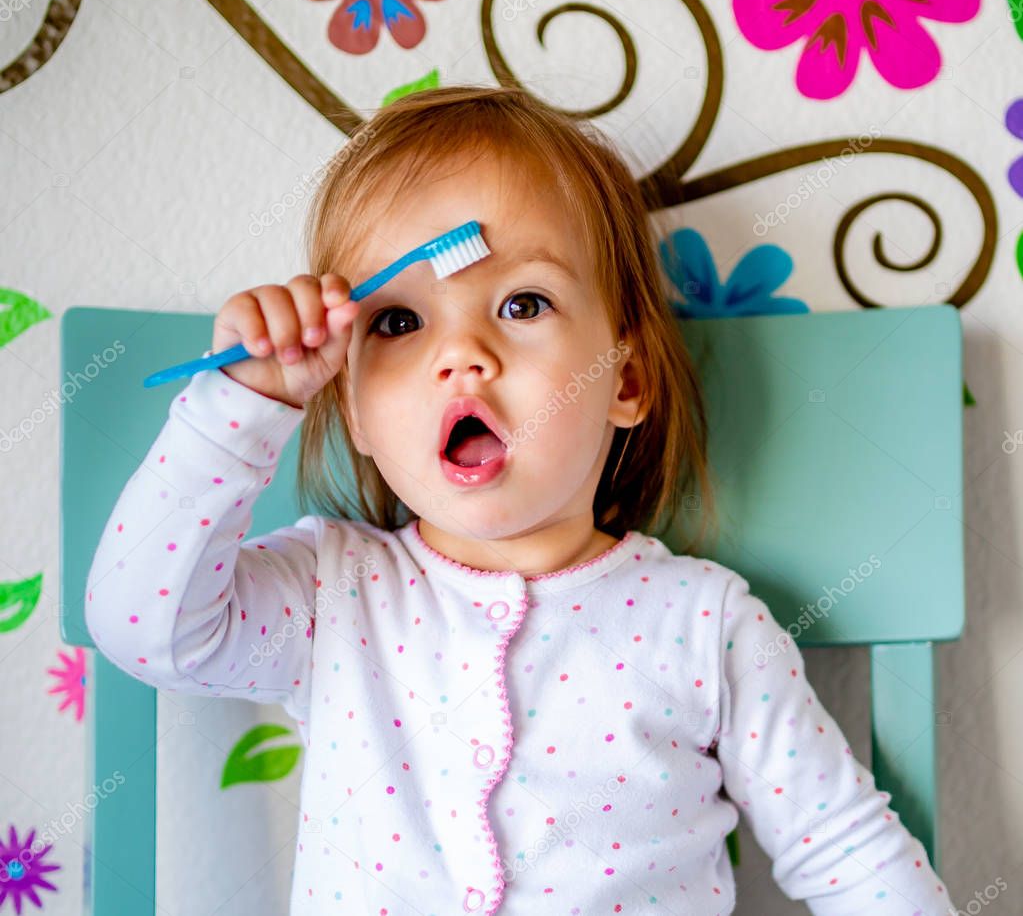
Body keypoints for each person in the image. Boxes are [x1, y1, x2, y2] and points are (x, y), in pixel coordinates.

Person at [85, 85, 955, 914]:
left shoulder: (703, 622)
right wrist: (245, 407)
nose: (462, 353)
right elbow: (143, 626)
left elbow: (843, 844)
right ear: (350, 409)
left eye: (522, 302)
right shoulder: (332, 595)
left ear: (627, 380)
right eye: (397, 321)